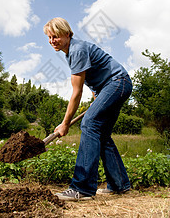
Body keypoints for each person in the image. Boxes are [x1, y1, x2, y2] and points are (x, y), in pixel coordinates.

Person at [43, 17, 132, 201]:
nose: (52, 41)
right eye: (50, 37)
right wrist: (98, 99)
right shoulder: (71, 51)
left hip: (116, 82)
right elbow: (92, 78)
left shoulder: (77, 49)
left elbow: (76, 92)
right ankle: (120, 184)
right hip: (113, 85)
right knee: (102, 135)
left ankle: (82, 188)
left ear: (67, 34)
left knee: (89, 123)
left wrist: (65, 123)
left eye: (56, 36)